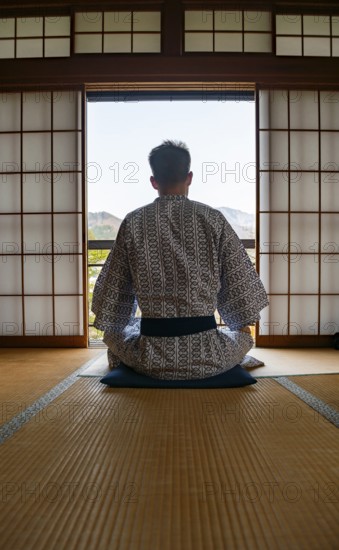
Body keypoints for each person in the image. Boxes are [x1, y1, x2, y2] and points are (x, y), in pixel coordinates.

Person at [92, 140, 268, 380]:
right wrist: (237, 319)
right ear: (190, 177)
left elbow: (113, 295)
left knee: (114, 334)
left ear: (154, 182)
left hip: (149, 358)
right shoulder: (213, 219)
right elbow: (241, 287)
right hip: (209, 357)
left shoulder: (133, 222)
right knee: (244, 334)